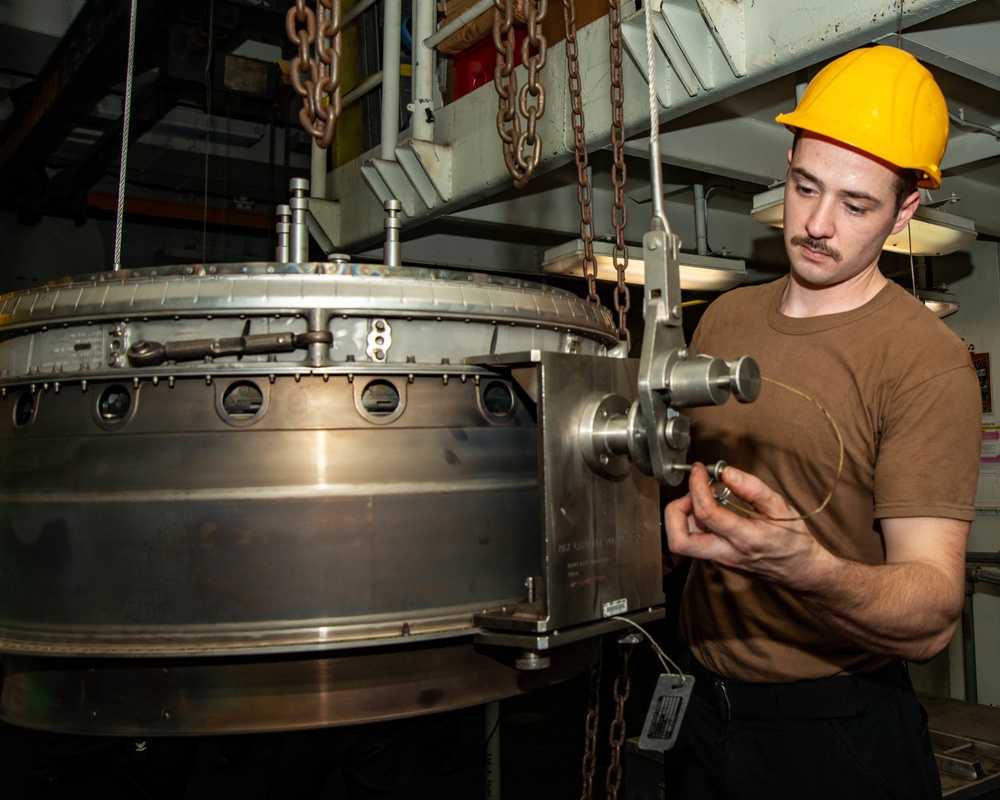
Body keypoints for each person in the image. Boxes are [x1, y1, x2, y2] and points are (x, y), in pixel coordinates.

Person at [661, 46, 981, 799]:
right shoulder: (726, 317)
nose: (816, 224)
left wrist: (805, 569)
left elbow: (933, 614)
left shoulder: (924, 361)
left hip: (836, 732)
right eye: (805, 186)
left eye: (857, 204)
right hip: (702, 706)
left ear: (906, 209)